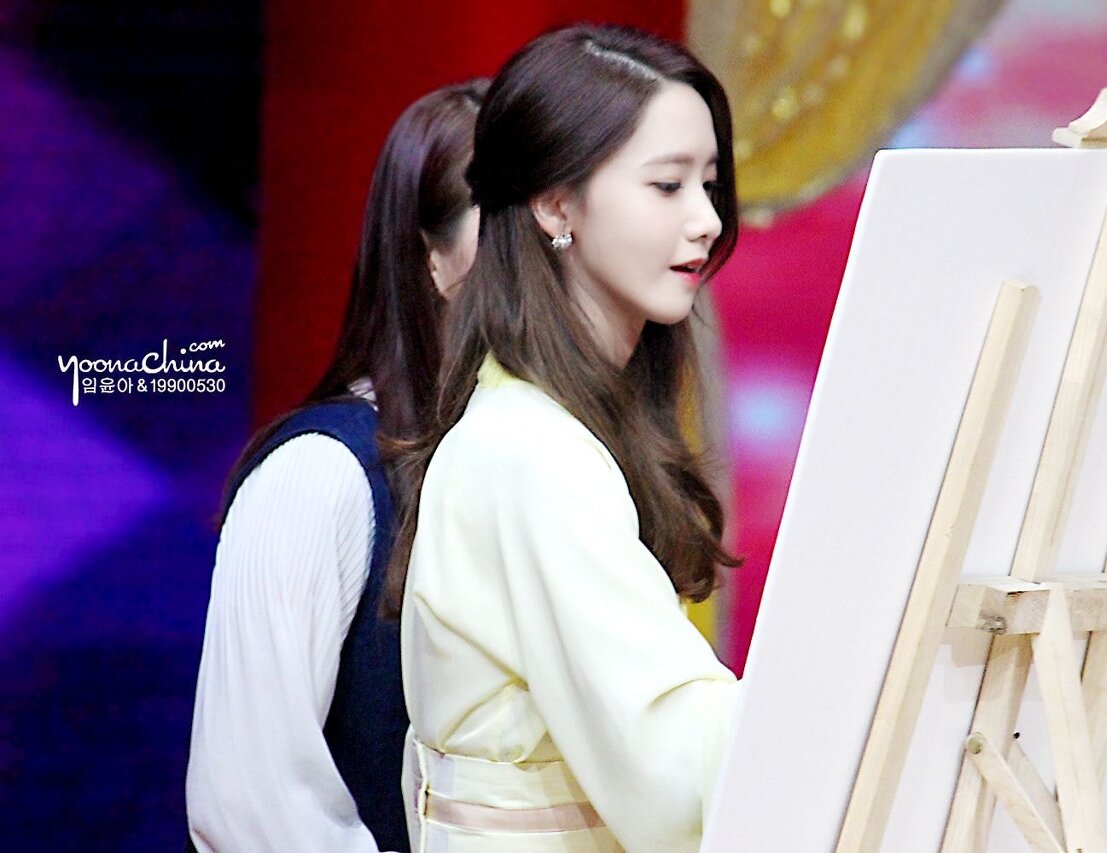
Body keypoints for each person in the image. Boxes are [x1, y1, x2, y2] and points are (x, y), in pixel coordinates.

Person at [387, 26, 741, 853]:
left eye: (710, 184)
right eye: (667, 185)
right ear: (555, 204)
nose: (705, 220)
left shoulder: (538, 423)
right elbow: (671, 763)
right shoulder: (531, 450)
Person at [186, 79, 487, 853]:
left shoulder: (514, 466)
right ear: (432, 255)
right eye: (509, 229)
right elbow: (250, 804)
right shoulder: (321, 475)